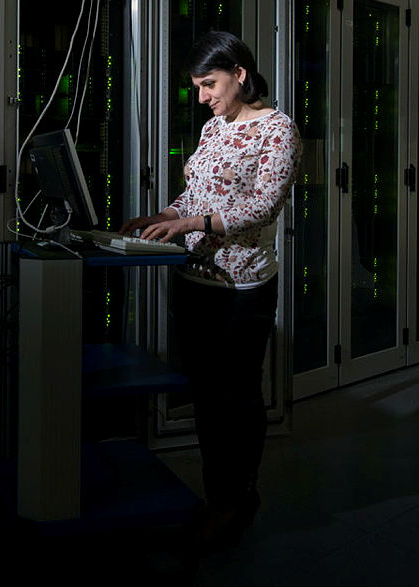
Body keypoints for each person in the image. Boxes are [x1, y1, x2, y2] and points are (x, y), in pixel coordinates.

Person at [121, 30, 300, 551]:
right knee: (205, 397)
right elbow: (195, 191)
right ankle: (219, 494)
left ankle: (236, 496)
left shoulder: (278, 130)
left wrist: (193, 220)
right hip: (194, 280)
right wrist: (167, 214)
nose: (202, 96)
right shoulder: (212, 127)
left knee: (236, 398)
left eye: (209, 84)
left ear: (240, 75)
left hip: (242, 288)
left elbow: (264, 205)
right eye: (199, 86)